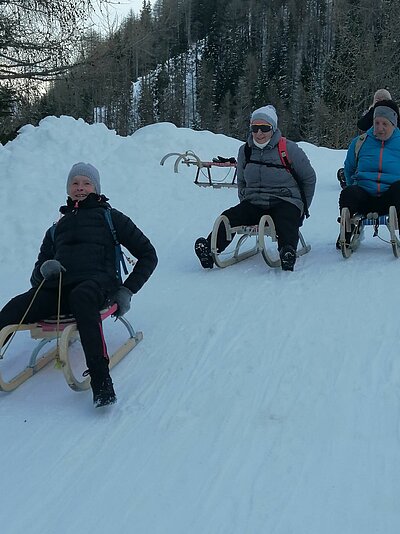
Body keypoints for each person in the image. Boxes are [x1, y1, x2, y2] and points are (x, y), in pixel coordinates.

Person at [0, 162, 158, 407]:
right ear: (68, 188)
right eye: (75, 183)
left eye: (86, 183)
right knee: (14, 306)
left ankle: (101, 379)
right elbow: (36, 279)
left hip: (98, 284)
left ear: (96, 187)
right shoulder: (56, 228)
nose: (80, 188)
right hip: (60, 288)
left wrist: (127, 290)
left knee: (82, 297)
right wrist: (45, 270)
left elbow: (148, 254)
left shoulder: (111, 217)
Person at [194, 105, 316, 271]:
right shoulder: (245, 150)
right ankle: (209, 250)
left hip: (284, 199)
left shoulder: (288, 149)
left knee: (285, 220)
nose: (259, 133)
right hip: (255, 201)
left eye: (264, 128)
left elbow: (309, 178)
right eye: (255, 128)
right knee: (229, 217)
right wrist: (245, 200)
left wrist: (302, 207)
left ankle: (287, 252)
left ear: (273, 128)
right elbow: (242, 180)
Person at [337, 101, 400, 248]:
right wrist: (353, 185)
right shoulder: (360, 142)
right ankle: (347, 231)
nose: (380, 128)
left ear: (394, 124)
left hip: (391, 198)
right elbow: (349, 169)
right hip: (364, 195)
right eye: (376, 123)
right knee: (348, 193)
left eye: (385, 124)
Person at [337, 89, 395, 189]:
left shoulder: (394, 115)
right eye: (378, 100)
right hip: (370, 146)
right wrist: (374, 110)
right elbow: (362, 125)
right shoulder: (370, 113)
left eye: (383, 100)